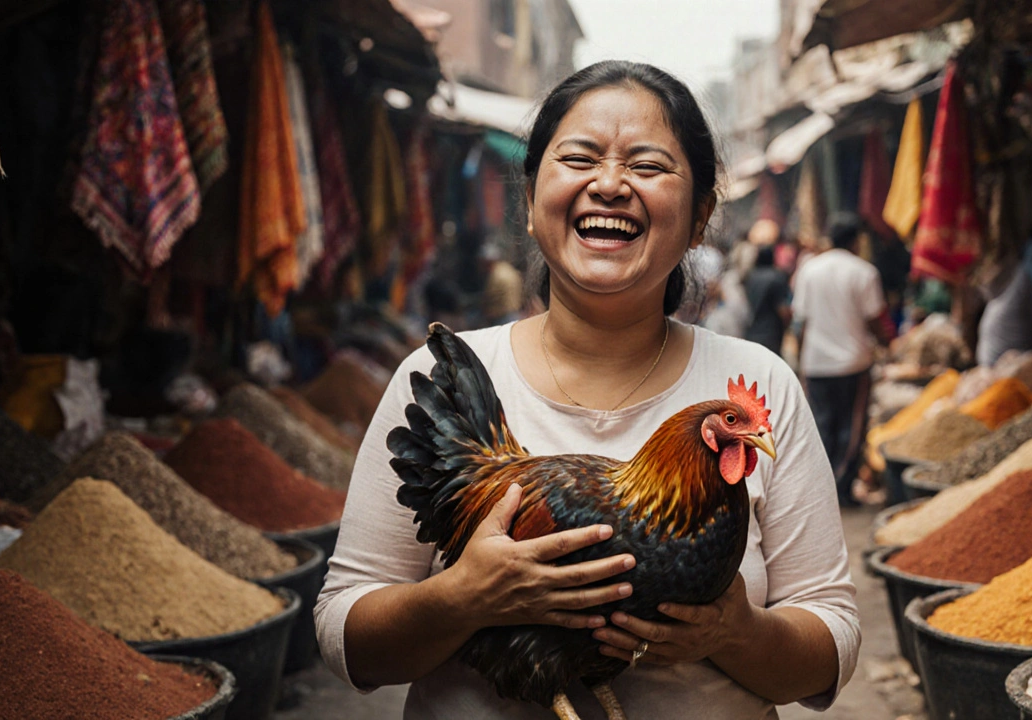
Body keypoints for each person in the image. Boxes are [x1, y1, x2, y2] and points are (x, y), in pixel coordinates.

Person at [315, 61, 859, 719]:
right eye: (579, 159)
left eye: (649, 166)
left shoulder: (762, 381)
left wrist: (737, 632)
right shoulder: (432, 377)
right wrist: (461, 598)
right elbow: (346, 633)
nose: (609, 184)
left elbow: (831, 640)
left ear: (699, 218)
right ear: (531, 200)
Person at [790, 213, 889, 507]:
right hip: (853, 363)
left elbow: (800, 321)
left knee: (821, 425)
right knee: (851, 427)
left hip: (816, 363)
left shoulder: (809, 270)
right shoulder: (864, 272)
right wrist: (887, 343)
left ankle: (822, 489)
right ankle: (841, 490)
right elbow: (875, 320)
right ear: (856, 241)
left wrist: (800, 361)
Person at [742, 245, 791, 353]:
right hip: (770, 334)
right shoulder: (776, 277)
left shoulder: (750, 277)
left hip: (751, 331)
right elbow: (782, 309)